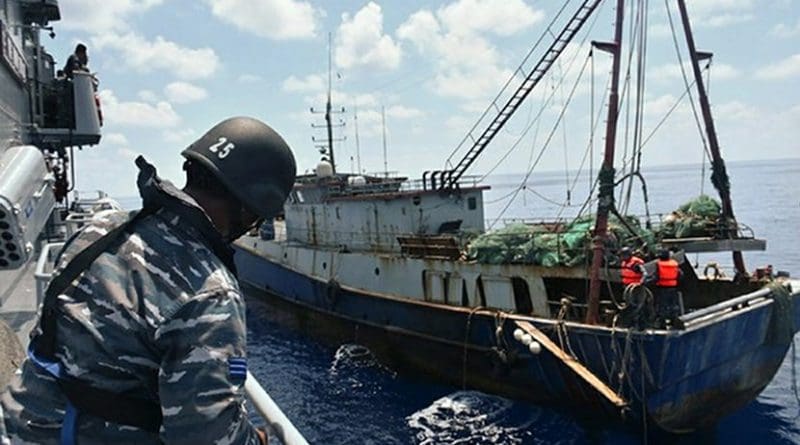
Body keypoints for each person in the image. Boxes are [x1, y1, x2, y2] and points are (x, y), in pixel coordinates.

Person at [1, 117, 296, 444]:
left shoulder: (100, 229)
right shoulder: (210, 291)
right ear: (246, 209)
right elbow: (206, 436)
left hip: (19, 426)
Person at [646, 249, 685, 329]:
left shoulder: (659, 264)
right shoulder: (674, 264)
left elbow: (656, 277)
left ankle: (662, 323)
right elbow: (680, 275)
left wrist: (647, 282)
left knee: (662, 306)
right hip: (673, 288)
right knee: (673, 305)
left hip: (662, 288)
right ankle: (674, 320)